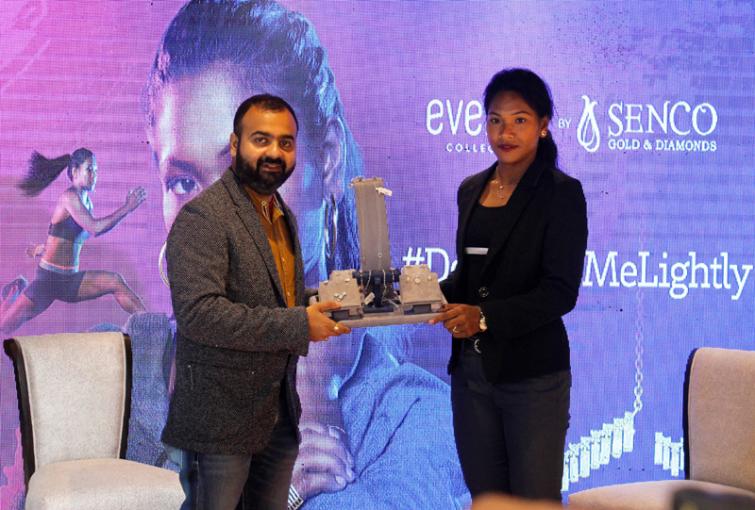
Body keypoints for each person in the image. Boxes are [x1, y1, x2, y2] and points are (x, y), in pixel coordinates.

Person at [133, 2, 469, 509]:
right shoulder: (122, 375)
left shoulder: (414, 423)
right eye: (182, 181)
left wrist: (314, 411)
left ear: (327, 160)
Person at [163, 94, 352, 509]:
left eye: (286, 143)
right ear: (236, 145)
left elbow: (274, 297)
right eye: (261, 140)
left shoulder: (282, 216)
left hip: (277, 415)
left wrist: (325, 301)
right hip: (221, 425)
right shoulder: (202, 218)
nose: (274, 153)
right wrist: (301, 323)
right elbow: (200, 314)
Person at [431, 68, 588, 501]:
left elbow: (560, 291)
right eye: (496, 120)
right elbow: (470, 276)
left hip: (532, 377)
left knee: (532, 502)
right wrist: (424, 295)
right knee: (487, 501)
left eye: (520, 120)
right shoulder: (471, 189)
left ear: (543, 125)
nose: (505, 132)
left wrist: (483, 318)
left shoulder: (561, 193)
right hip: (471, 376)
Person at [0, 148, 146, 334]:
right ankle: (13, 293)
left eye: (96, 171)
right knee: (5, 326)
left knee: (115, 281)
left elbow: (64, 238)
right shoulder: (69, 198)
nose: (94, 175)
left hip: (69, 280)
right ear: (75, 171)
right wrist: (127, 207)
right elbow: (95, 228)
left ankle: (150, 323)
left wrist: (41, 249)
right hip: (49, 280)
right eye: (89, 169)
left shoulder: (87, 202)